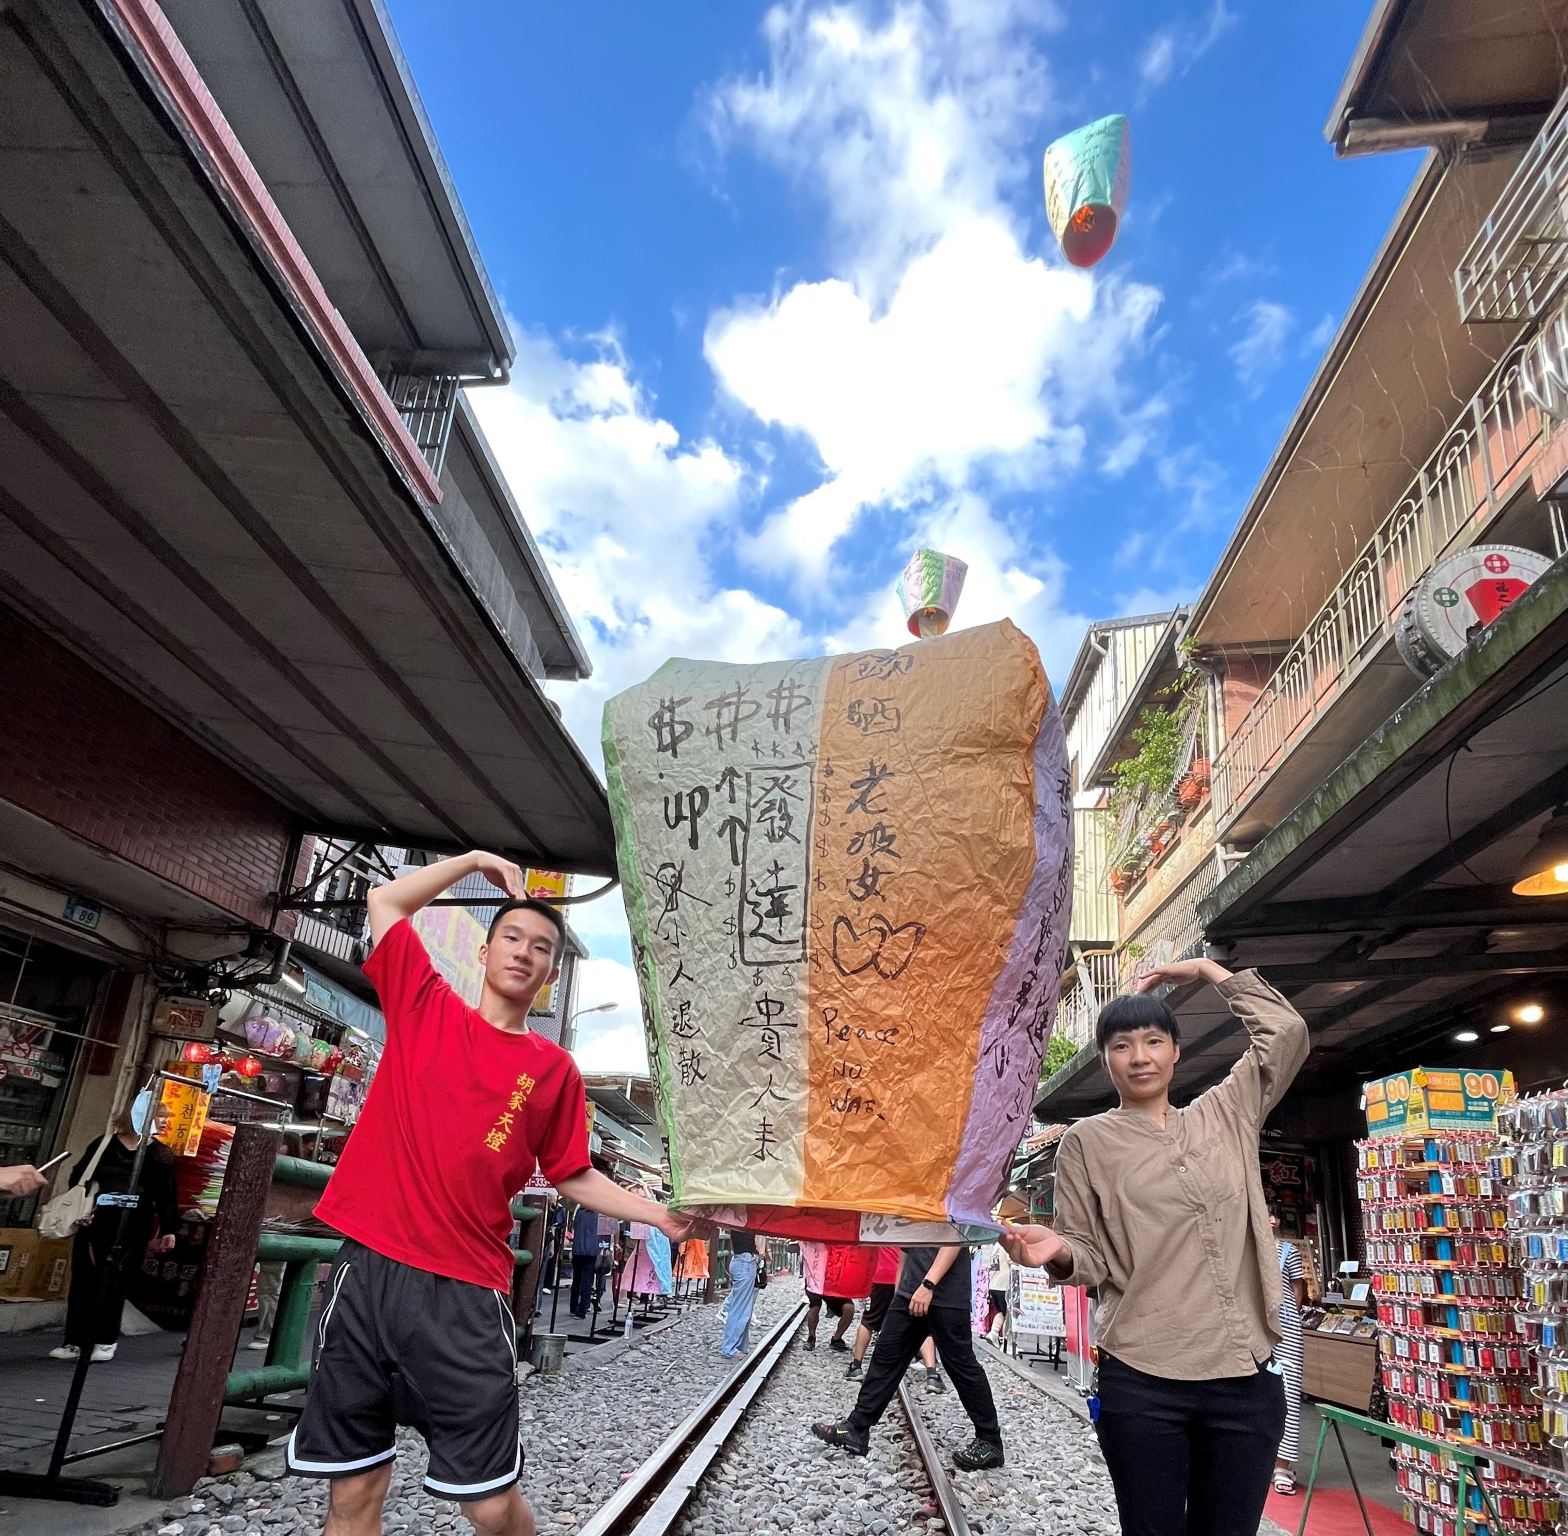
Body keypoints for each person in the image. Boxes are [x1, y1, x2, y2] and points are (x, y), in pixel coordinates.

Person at [284, 851, 702, 1536]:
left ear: (548, 975)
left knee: (487, 1503)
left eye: (542, 948)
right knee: (352, 1497)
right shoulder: (425, 1007)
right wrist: (474, 861)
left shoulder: (553, 1069)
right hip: (366, 1275)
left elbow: (571, 1172)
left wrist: (658, 1214)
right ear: (484, 950)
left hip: (465, 1293)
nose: (525, 953)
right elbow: (385, 902)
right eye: (512, 937)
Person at [1002, 958, 1309, 1536]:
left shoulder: (1226, 1113)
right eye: (1121, 1045)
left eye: (1153, 1041)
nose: (1139, 1056)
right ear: (1105, 1059)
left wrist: (1206, 969)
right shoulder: (1085, 1143)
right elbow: (1088, 1254)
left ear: (1176, 1052)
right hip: (1144, 1380)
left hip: (1242, 1378)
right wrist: (1056, 1253)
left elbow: (1286, 1033)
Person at [813, 1244, 1003, 1470]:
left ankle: (990, 1440)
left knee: (960, 1364)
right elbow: (907, 1245)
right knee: (886, 1356)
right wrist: (900, 1290)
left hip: (945, 1294)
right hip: (910, 1292)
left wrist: (928, 1284)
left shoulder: (954, 1206)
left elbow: (955, 1238)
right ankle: (857, 1428)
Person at [50, 1105, 179, 1364]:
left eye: (165, 1118)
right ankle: (74, 1341)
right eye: (160, 1117)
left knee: (117, 1280)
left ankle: (105, 1339)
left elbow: (166, 1196)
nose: (165, 1122)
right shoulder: (104, 1144)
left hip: (133, 1224)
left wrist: (169, 1229)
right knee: (84, 1277)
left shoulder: (159, 1154)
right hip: (95, 1219)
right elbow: (78, 1176)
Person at [846, 1245, 939, 1388]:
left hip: (882, 1276)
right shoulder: (911, 1225)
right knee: (922, 1324)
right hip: (910, 1278)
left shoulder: (880, 1223)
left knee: (869, 1321)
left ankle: (856, 1366)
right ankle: (932, 1374)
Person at [1272, 1208, 1308, 1495]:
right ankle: (1260, 1460)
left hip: (1286, 1329)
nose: (1269, 1220)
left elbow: (1298, 1286)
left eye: (1273, 1215)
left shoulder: (1288, 1250)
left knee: (1288, 1393)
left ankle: (1283, 1465)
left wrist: (1289, 1315)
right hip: (1253, 1327)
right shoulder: (1244, 1247)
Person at [721, 1229, 759, 1358]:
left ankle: (739, 1346)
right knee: (741, 1308)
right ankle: (729, 1348)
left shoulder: (738, 1216)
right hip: (745, 1262)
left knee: (743, 1308)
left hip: (743, 1260)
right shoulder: (744, 1217)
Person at [569, 1203, 600, 1318]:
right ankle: (583, 1309)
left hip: (578, 1248)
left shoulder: (579, 1211)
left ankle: (573, 1306)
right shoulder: (598, 1213)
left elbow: (575, 1226)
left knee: (576, 1279)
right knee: (587, 1281)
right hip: (592, 1250)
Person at [804, 1287, 855, 1352]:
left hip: (833, 1284)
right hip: (815, 1281)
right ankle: (811, 1337)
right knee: (815, 1306)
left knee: (849, 1308)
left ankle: (836, 1339)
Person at [984, 1241, 1012, 1342]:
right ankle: (1007, 1343)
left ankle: (994, 1333)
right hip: (1004, 1285)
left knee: (1000, 1312)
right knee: (1009, 1314)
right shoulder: (1007, 1246)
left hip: (993, 1284)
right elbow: (1012, 1262)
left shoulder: (994, 1246)